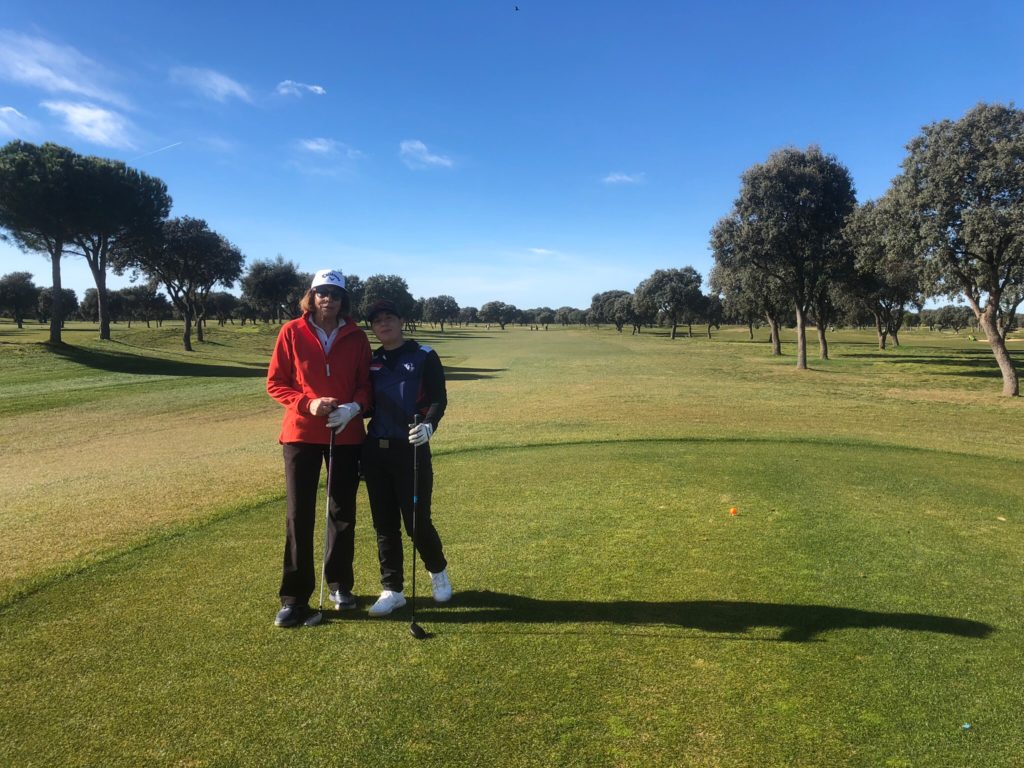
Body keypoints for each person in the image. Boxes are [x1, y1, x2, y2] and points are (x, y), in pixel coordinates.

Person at [266, 269, 372, 628]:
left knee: (341, 512)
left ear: (344, 300)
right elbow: (276, 383)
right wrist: (307, 404)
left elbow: (365, 385)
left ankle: (340, 584)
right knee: (299, 515)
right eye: (322, 292)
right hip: (300, 433)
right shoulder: (291, 332)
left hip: (346, 433)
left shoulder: (357, 337)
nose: (328, 299)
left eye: (335, 294)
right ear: (311, 296)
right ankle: (294, 598)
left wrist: (354, 408)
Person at [361, 299, 452, 616]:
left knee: (416, 522)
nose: (383, 324)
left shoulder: (423, 355)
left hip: (411, 448)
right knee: (384, 524)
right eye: (377, 321)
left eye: (389, 317)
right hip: (375, 451)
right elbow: (367, 402)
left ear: (401, 321)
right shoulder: (371, 361)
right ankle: (392, 589)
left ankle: (437, 571)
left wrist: (429, 425)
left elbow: (439, 398)